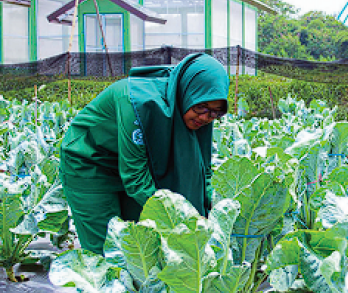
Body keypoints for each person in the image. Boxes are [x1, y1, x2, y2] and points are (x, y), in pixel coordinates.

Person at [59, 53, 229, 254]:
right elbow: (135, 178)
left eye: (215, 112)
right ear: (187, 92)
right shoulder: (137, 103)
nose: (205, 117)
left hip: (134, 162)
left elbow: (203, 171)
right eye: (201, 107)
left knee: (141, 245)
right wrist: (183, 218)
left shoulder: (196, 113)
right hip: (90, 164)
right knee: (107, 251)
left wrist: (217, 208)